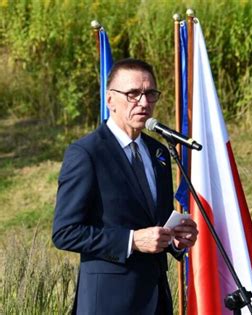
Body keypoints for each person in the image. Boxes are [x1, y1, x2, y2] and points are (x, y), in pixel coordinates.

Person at [52, 58, 199, 314]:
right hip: (108, 302)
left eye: (150, 93)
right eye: (133, 94)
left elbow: (157, 221)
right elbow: (65, 232)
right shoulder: (87, 153)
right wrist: (131, 241)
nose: (144, 103)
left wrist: (176, 239)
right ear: (110, 100)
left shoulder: (158, 152)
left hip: (156, 300)